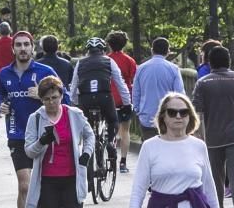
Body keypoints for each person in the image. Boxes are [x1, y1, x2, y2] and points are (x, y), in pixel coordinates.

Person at [24, 76, 95, 208]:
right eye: (46, 99)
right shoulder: (35, 119)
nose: (51, 103)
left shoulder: (74, 115)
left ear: (62, 96)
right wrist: (42, 141)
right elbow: (29, 150)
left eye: (55, 98)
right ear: (42, 100)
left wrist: (86, 154)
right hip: (48, 181)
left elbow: (89, 135)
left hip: (72, 179)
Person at [0, 30, 61, 208]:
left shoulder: (45, 73)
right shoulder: (4, 74)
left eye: (26, 45)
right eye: (19, 45)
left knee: (42, 185)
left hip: (44, 135)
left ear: (33, 48)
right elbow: (2, 100)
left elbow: (66, 99)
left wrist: (41, 97)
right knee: (24, 185)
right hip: (17, 135)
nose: (23, 49)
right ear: (13, 49)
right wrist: (2, 107)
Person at [192, 46, 234, 208]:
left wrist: (197, 134)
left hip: (212, 136)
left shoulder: (203, 82)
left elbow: (197, 110)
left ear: (210, 63)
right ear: (229, 61)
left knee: (215, 178)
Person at [69, 37, 130, 170]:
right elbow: (120, 84)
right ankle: (110, 142)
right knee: (113, 121)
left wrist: (74, 102)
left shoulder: (80, 63)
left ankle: (89, 164)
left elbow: (73, 86)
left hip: (85, 99)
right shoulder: (109, 61)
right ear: (103, 50)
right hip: (104, 96)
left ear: (88, 51)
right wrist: (127, 103)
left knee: (87, 130)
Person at [133, 37, 185, 142]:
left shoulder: (141, 68)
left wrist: (138, 110)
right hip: (168, 117)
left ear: (152, 50)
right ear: (168, 51)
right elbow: (179, 94)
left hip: (147, 117)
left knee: (150, 149)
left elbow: (136, 93)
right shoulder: (173, 69)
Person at [107, 31, 137, 173]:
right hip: (125, 99)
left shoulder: (106, 60)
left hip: (109, 99)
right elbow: (133, 80)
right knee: (125, 131)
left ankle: (111, 157)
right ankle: (123, 162)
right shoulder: (130, 61)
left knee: (110, 130)